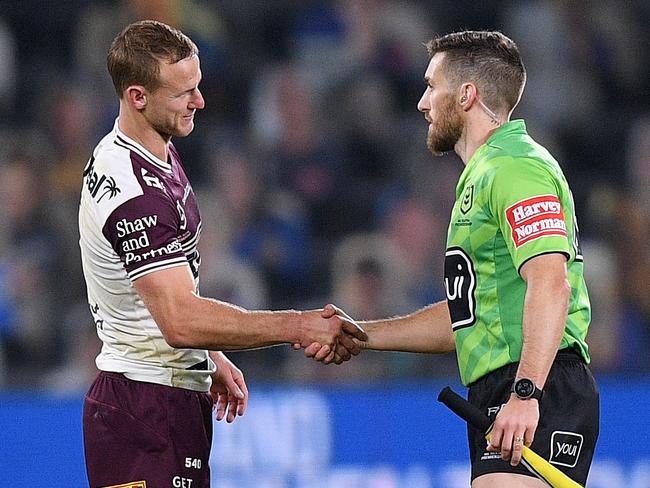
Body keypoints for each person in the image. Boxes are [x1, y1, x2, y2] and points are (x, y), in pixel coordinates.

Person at [78, 20, 366, 488]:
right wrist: (298, 325)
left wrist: (206, 356)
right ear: (137, 96)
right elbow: (178, 319)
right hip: (142, 409)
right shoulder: (134, 191)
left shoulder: (151, 150)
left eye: (198, 85)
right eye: (183, 93)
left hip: (164, 399)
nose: (199, 101)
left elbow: (166, 286)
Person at [305, 30, 599, 487]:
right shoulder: (482, 176)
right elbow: (470, 318)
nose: (423, 103)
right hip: (501, 387)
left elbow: (550, 282)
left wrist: (526, 392)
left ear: (466, 94)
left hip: (537, 383)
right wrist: (364, 336)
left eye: (431, 86)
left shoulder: (515, 167)